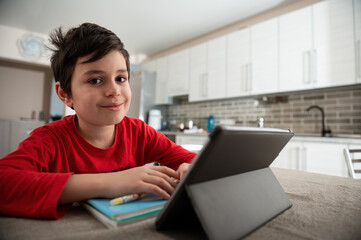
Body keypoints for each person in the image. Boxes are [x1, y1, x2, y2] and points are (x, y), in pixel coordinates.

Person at [0, 23, 196, 219]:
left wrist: (189, 168)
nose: (114, 91)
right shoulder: (49, 139)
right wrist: (109, 182)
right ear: (65, 94)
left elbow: (195, 162)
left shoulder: (139, 132)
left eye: (120, 78)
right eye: (95, 80)